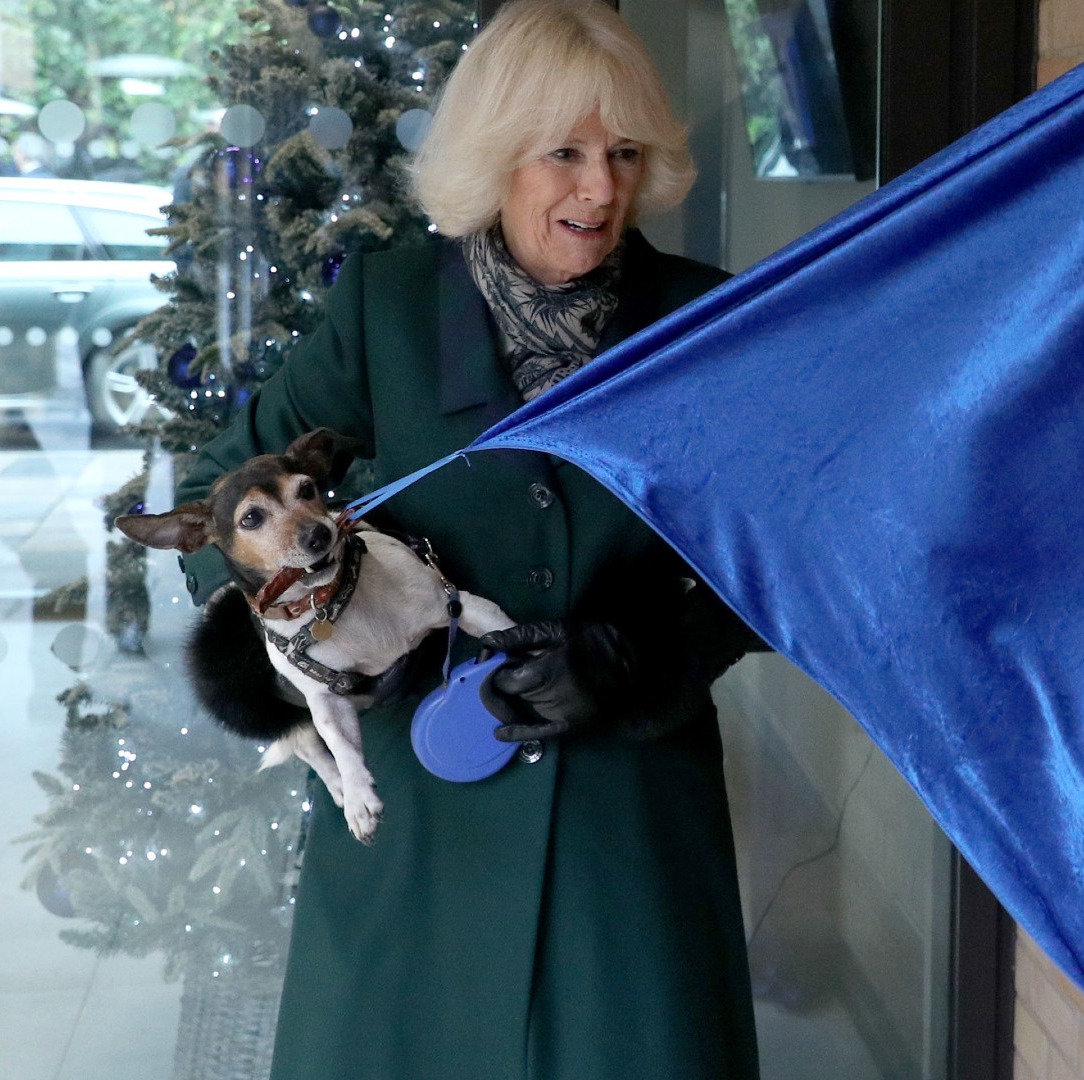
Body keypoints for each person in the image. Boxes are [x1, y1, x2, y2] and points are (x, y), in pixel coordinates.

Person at [173, 1, 763, 1076]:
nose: (602, 189)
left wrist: (653, 656)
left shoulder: (700, 322)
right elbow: (220, 493)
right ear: (497, 158)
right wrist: (307, 634)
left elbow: (781, 547)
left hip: (624, 819)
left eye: (626, 153)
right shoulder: (387, 312)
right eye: (566, 154)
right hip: (417, 821)